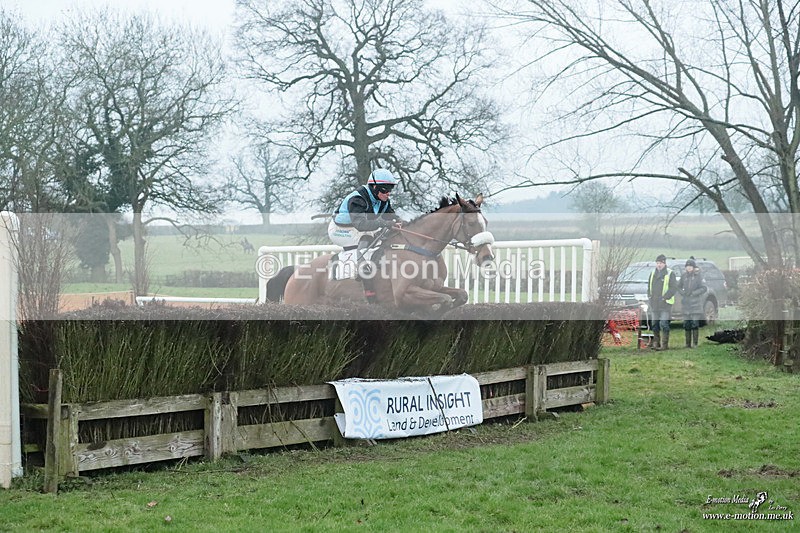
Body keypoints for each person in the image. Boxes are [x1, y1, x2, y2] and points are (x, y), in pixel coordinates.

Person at [328, 168, 401, 250]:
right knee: (367, 238)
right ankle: (358, 262)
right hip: (339, 230)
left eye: (390, 189)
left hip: (355, 228)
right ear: (374, 187)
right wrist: (383, 223)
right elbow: (361, 224)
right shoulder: (358, 199)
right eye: (385, 189)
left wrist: (400, 222)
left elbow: (392, 217)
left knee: (384, 237)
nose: (388, 193)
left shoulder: (383, 201)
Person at [647, 254, 678, 350]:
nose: (659, 265)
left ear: (664, 263)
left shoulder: (670, 273)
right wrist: (649, 296)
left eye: (660, 263)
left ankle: (665, 345)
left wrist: (665, 297)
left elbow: (673, 288)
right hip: (654, 303)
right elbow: (649, 287)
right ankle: (656, 343)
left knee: (664, 324)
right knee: (654, 324)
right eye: (657, 263)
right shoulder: (652, 273)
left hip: (665, 303)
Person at [679, 257, 707, 348]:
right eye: (687, 266)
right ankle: (687, 344)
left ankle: (695, 343)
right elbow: (678, 287)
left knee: (695, 323)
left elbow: (704, 288)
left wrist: (694, 293)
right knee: (687, 324)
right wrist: (683, 293)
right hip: (686, 303)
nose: (689, 268)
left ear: (694, 267)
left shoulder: (699, 277)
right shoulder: (683, 276)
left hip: (696, 304)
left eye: (690, 266)